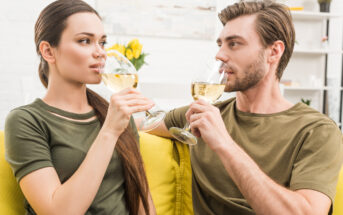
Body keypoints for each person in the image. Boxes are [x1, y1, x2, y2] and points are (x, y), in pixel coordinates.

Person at [150, 0, 343, 214]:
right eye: (220, 44)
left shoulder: (316, 130)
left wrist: (224, 143)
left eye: (234, 44)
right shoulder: (203, 115)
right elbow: (139, 125)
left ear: (274, 52)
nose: (220, 55)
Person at [4, 0, 156, 214]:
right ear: (48, 51)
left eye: (102, 42)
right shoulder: (26, 121)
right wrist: (110, 131)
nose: (101, 53)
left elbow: (141, 198)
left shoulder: (114, 114)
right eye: (85, 41)